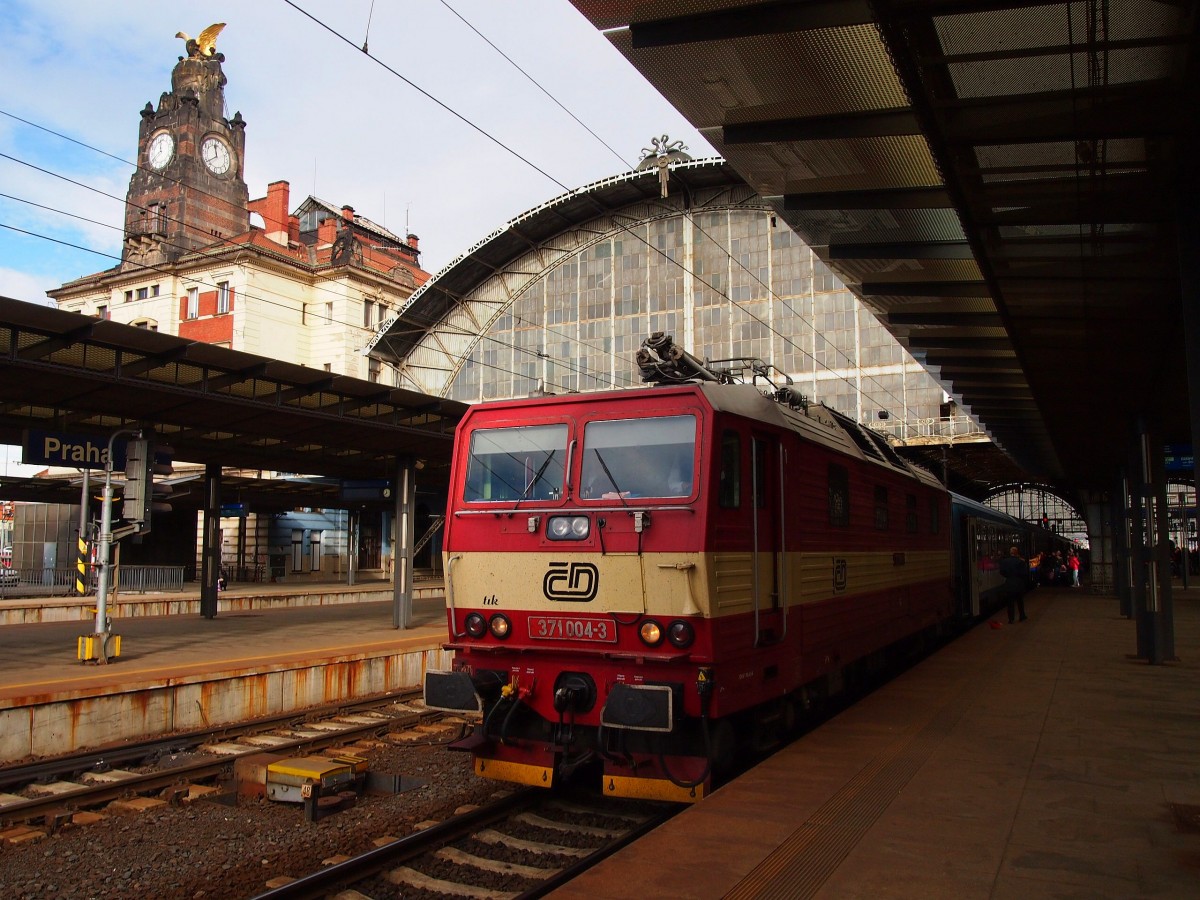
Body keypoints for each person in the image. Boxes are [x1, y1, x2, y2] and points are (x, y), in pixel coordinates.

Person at [999, 546, 1028, 623]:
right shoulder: (1021, 562)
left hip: (1009, 583)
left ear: (1010, 553)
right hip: (1018, 583)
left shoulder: (1005, 562)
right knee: (1020, 601)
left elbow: (1002, 572)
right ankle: (1022, 616)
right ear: (1017, 553)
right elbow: (1024, 573)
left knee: (1010, 602)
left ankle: (1011, 619)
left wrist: (1008, 576)